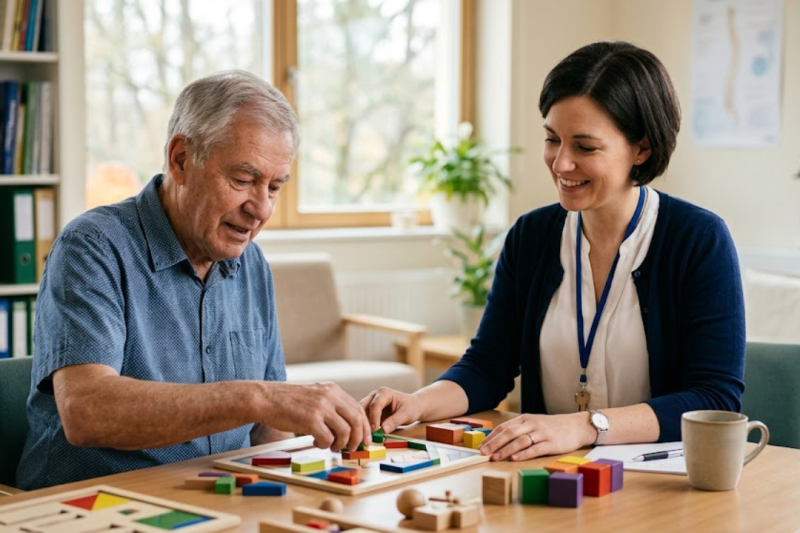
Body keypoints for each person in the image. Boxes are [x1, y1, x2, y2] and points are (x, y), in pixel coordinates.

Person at [362, 41, 745, 462]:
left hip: (659, 483)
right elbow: (488, 367)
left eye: (585, 147)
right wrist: (417, 403)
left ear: (642, 149)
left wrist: (585, 427)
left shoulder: (698, 239)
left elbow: (714, 398)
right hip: (552, 475)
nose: (560, 164)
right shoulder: (532, 236)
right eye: (552, 139)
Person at [18, 71, 371, 489]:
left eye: (274, 187)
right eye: (243, 180)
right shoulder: (92, 246)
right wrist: (256, 397)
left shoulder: (252, 263)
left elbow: (267, 431)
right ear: (181, 159)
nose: (261, 209)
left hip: (215, 499)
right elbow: (87, 411)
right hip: (97, 502)